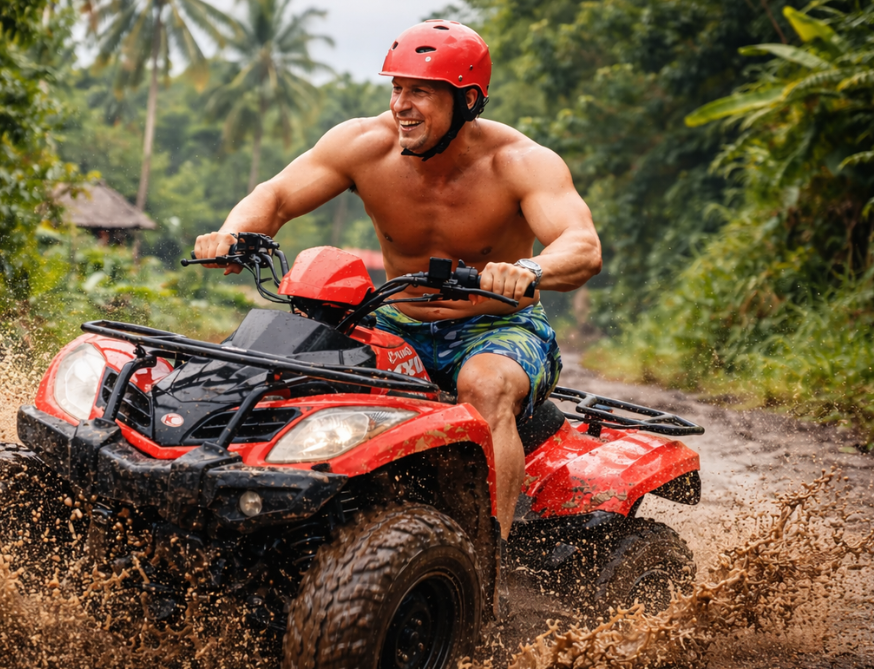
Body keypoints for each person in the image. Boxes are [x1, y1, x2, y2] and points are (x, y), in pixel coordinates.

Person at [194, 20, 601, 540]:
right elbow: (273, 197)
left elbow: (582, 245)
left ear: (468, 100)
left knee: (486, 386)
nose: (401, 105)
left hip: (496, 330)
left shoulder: (520, 163)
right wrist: (233, 234)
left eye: (421, 92)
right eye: (397, 88)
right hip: (394, 317)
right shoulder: (362, 145)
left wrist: (529, 271)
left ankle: (484, 562)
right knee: (291, 369)